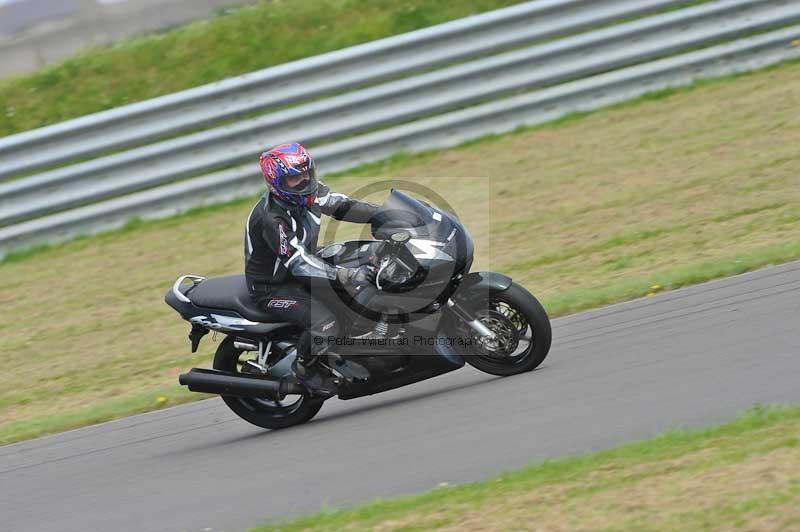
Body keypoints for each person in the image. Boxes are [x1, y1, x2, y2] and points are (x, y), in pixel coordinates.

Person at [244, 142, 379, 389]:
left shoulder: (309, 194)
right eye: (295, 178)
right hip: (273, 287)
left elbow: (342, 205)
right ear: (277, 182)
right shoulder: (272, 219)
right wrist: (344, 275)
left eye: (307, 173)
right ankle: (303, 367)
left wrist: (383, 214)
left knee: (367, 258)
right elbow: (298, 263)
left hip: (302, 267)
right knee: (324, 322)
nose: (304, 180)